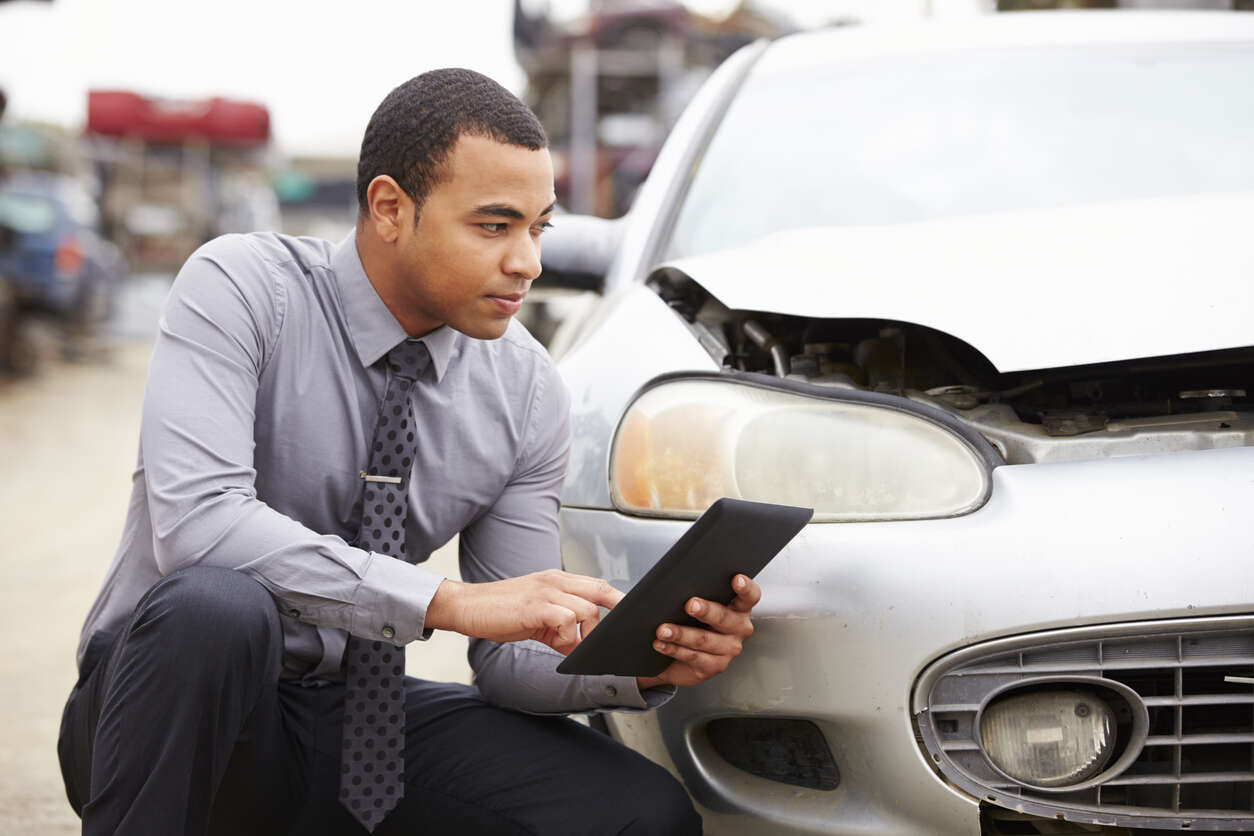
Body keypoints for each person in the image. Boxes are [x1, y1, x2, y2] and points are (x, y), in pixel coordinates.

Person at [57, 68, 761, 835]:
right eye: (494, 226)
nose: (526, 261)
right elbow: (198, 524)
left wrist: (642, 658)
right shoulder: (242, 289)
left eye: (538, 228)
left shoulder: (526, 391)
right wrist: (444, 602)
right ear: (390, 208)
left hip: (349, 722)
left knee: (635, 812)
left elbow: (511, 665)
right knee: (216, 608)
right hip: (165, 712)